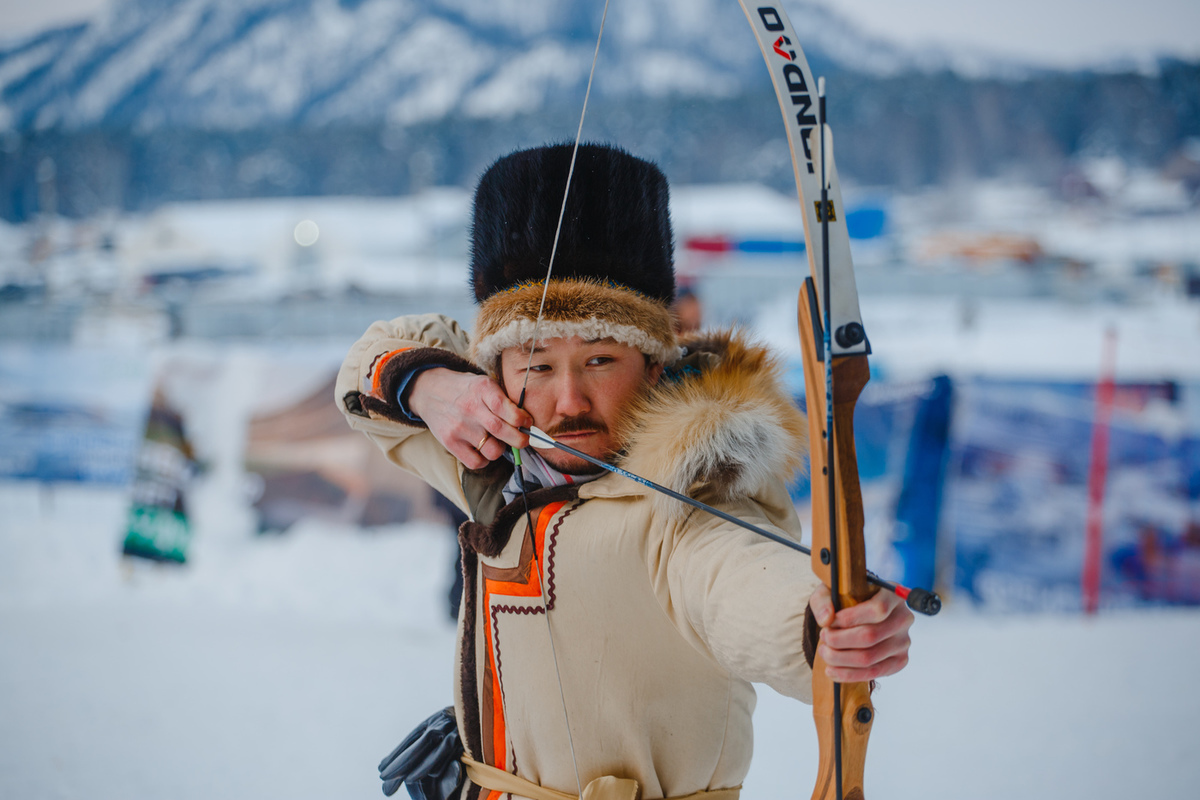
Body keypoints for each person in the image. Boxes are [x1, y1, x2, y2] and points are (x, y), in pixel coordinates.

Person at [337, 144, 913, 800]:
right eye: (537, 363)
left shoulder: (688, 499)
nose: (568, 400)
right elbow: (365, 374)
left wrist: (822, 625)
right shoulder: (492, 457)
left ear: (654, 365)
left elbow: (736, 580)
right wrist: (429, 386)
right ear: (494, 374)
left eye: (602, 360)